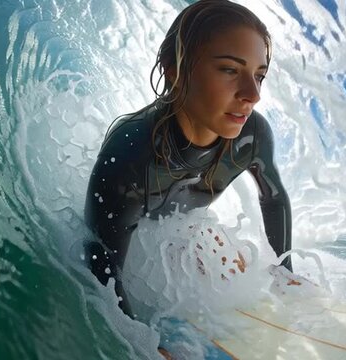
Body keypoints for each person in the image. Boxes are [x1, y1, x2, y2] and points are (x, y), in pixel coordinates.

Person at [84, 0, 292, 320]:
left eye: (259, 75)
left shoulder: (251, 136)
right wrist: (140, 344)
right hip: (137, 242)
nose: (253, 94)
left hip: (186, 229)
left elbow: (274, 199)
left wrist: (285, 272)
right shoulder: (129, 155)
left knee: (230, 267)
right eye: (229, 70)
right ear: (175, 69)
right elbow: (101, 266)